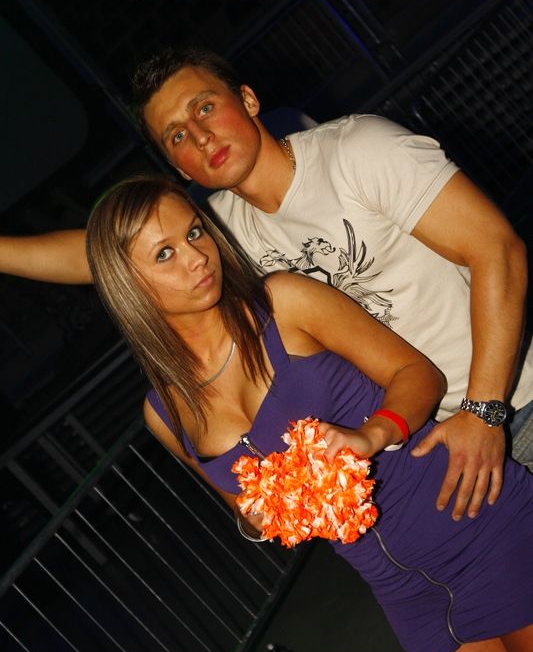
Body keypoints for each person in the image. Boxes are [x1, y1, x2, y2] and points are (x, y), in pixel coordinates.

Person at [84, 174, 533, 652]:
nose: (197, 257)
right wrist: (268, 513)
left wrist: (369, 436)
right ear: (128, 286)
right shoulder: (164, 413)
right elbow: (246, 515)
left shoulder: (283, 302)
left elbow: (417, 375)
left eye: (194, 232)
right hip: (402, 592)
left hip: (472, 515)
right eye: (164, 253)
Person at [1, 47, 532, 518]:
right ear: (178, 167)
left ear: (248, 100)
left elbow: (498, 249)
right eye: (177, 136)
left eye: (204, 107)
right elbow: (104, 253)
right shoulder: (216, 235)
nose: (201, 136)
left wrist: (484, 412)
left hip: (513, 399)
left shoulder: (356, 150)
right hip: (432, 445)